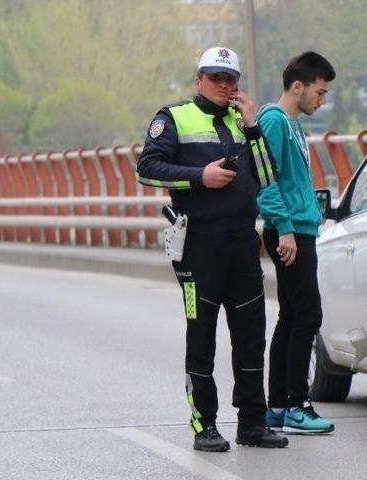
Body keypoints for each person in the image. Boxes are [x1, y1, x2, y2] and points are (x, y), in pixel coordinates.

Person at [137, 46, 288, 451]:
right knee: (201, 335)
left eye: (230, 79)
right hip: (198, 244)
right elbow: (147, 170)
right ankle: (204, 423)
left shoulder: (244, 123)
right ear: (199, 79)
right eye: (215, 77)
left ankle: (252, 423)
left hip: (242, 242)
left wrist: (254, 126)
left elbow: (269, 175)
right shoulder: (174, 117)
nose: (223, 85)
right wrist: (199, 177)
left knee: (252, 334)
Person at [256, 51, 336, 434]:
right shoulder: (274, 121)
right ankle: (296, 405)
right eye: (319, 93)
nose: (322, 101)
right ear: (298, 86)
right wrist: (285, 228)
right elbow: (265, 179)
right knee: (308, 315)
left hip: (299, 228)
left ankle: (278, 406)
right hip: (290, 232)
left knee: (291, 317)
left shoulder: (291, 124)